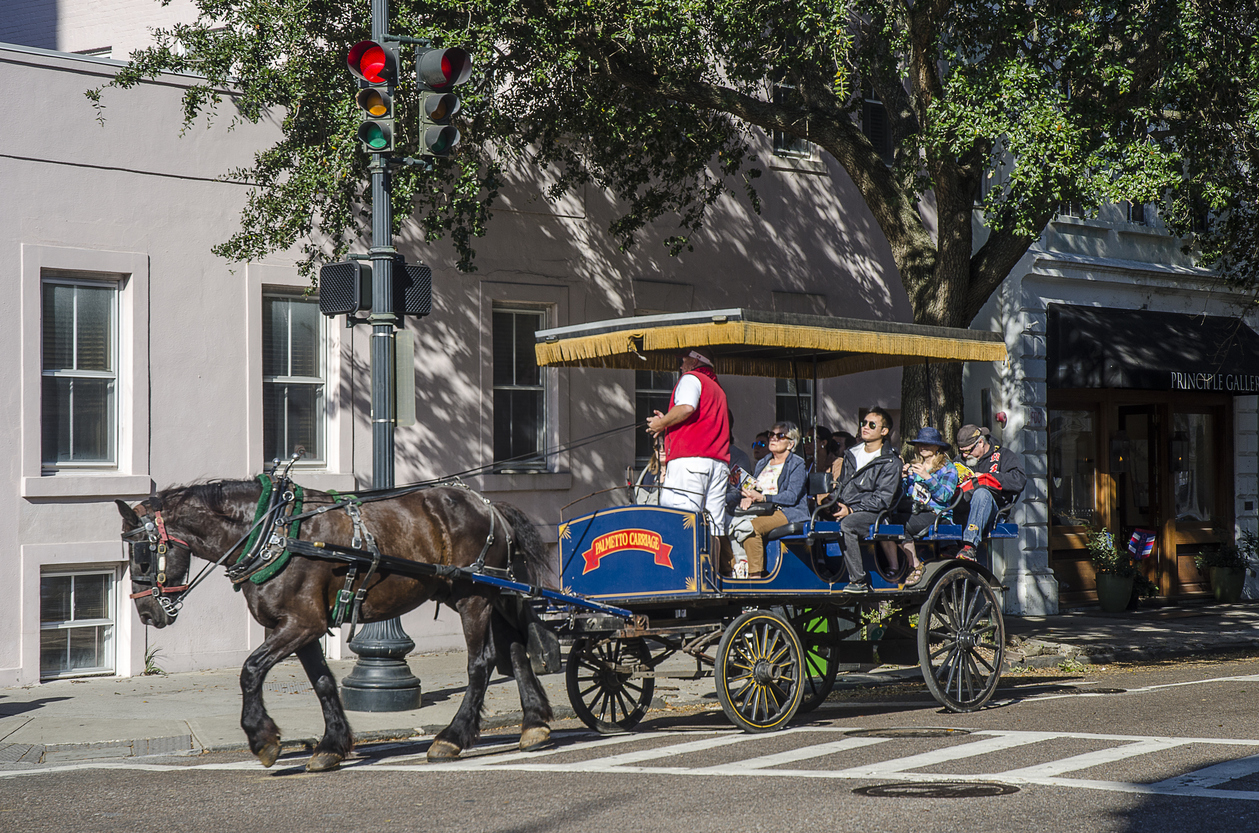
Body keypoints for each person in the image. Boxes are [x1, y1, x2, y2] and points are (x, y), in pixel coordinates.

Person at [646, 348, 732, 531]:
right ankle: (712, 561)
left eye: (684, 360)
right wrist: (668, 420)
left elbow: (686, 407)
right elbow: (698, 419)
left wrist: (661, 423)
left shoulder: (691, 378)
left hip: (690, 461)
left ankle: (683, 561)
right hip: (717, 464)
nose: (681, 365)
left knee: (680, 521)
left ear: (694, 362)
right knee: (714, 528)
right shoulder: (718, 389)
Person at [831, 407, 902, 593]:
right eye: (863, 423)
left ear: (884, 431)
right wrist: (830, 502)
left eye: (872, 425)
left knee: (848, 524)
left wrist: (852, 510)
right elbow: (841, 485)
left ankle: (858, 581)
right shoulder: (851, 454)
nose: (865, 427)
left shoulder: (891, 462)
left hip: (874, 514)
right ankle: (826, 570)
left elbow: (883, 499)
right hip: (846, 507)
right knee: (811, 519)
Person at [727, 422, 809, 578]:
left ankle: (755, 577)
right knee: (728, 523)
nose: (773, 438)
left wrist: (763, 497)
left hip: (787, 511)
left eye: (780, 436)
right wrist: (749, 497)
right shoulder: (764, 462)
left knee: (750, 528)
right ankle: (735, 570)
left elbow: (792, 496)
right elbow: (756, 488)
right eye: (772, 435)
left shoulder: (797, 463)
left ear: (791, 444)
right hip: (761, 509)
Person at [883, 427, 959, 586]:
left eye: (928, 445)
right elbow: (905, 497)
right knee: (885, 522)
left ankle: (914, 564)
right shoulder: (913, 468)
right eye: (920, 444)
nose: (923, 448)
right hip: (914, 511)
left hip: (937, 515)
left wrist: (927, 477)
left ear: (937, 447)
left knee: (900, 524)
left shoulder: (948, 468)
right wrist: (902, 480)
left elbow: (945, 496)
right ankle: (896, 566)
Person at [954, 424, 1026, 561]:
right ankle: (949, 546)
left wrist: (988, 478)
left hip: (993, 511)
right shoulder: (960, 461)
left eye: (968, 451)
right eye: (962, 451)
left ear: (980, 442)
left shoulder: (1003, 455)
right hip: (963, 509)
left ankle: (969, 546)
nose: (964, 455)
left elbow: (1019, 480)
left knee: (982, 493)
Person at [633, 441, 668, 505]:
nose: (662, 450)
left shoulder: (678, 472)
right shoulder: (649, 471)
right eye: (658, 447)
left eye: (665, 446)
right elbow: (640, 501)